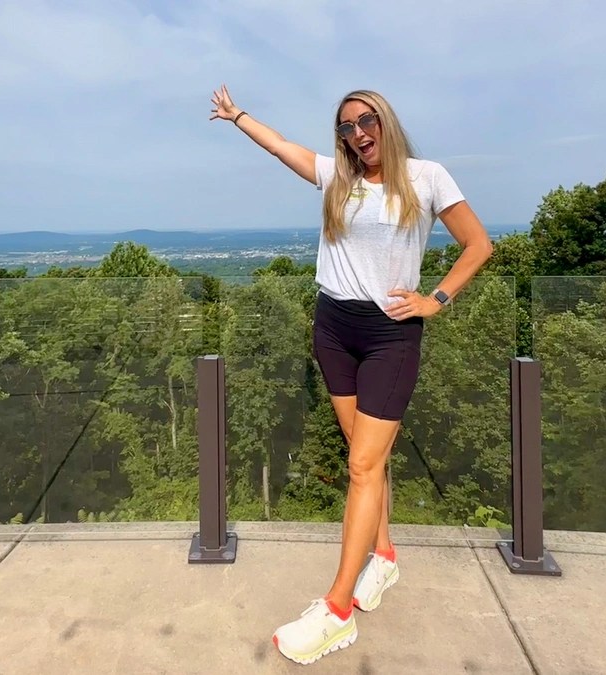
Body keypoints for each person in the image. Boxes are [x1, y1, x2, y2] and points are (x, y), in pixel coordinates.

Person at [209, 85, 493, 665]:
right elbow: (281, 147)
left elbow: (478, 244)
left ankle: (338, 611)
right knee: (363, 454)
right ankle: (383, 555)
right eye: (346, 127)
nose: (358, 133)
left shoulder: (427, 177)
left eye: (366, 121)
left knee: (363, 465)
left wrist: (436, 299)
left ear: (385, 120)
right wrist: (238, 117)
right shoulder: (338, 179)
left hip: (391, 334)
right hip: (334, 328)